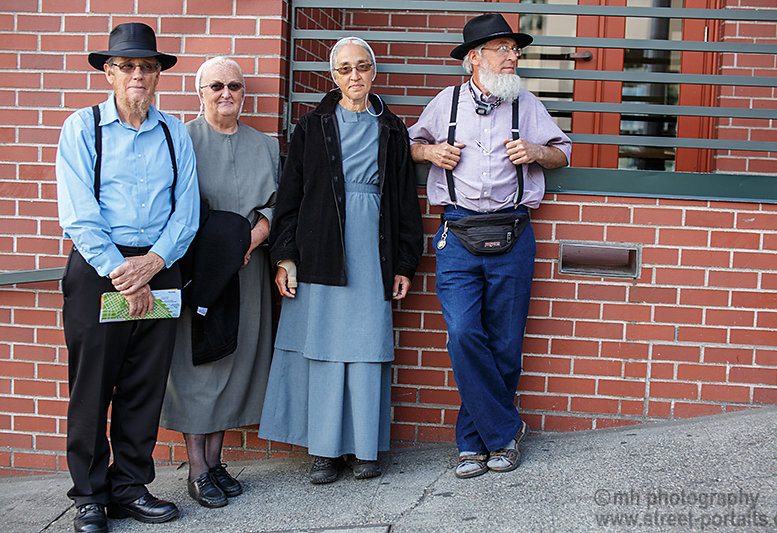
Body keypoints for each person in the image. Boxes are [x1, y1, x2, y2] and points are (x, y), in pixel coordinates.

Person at [408, 13, 572, 479]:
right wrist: (430, 152)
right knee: (463, 333)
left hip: (514, 231)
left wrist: (539, 153)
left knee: (505, 342)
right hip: (456, 233)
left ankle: (472, 444)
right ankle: (504, 432)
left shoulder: (527, 104)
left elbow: (563, 151)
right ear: (474, 60)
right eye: (503, 48)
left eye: (514, 49)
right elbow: (411, 142)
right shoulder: (446, 103)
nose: (513, 55)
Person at [258, 36, 424, 484]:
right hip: (321, 246)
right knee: (325, 348)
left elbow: (406, 201)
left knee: (367, 346)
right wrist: (286, 256)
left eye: (363, 67)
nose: (355, 76)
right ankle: (325, 452)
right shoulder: (312, 127)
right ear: (334, 76)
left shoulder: (392, 128)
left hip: (373, 247)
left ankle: (365, 449)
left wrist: (405, 263)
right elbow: (289, 198)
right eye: (346, 68)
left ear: (374, 73)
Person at [55, 23, 199, 533]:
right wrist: (126, 273)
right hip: (101, 271)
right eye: (128, 66)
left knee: (144, 383)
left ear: (158, 75)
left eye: (148, 67)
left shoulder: (173, 130)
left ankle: (130, 487)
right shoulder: (82, 127)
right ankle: (90, 496)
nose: (138, 75)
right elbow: (77, 212)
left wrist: (155, 264)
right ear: (109, 72)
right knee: (92, 386)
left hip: (160, 266)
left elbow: (187, 210)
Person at [160, 57, 279, 508]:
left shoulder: (265, 145)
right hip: (200, 274)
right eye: (215, 86)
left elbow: (278, 202)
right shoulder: (180, 139)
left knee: (235, 363)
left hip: (248, 272)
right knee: (198, 367)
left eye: (234, 85)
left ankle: (215, 459)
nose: (225, 93)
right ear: (200, 92)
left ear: (244, 92)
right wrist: (220, 250)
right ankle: (196, 468)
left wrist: (253, 237)